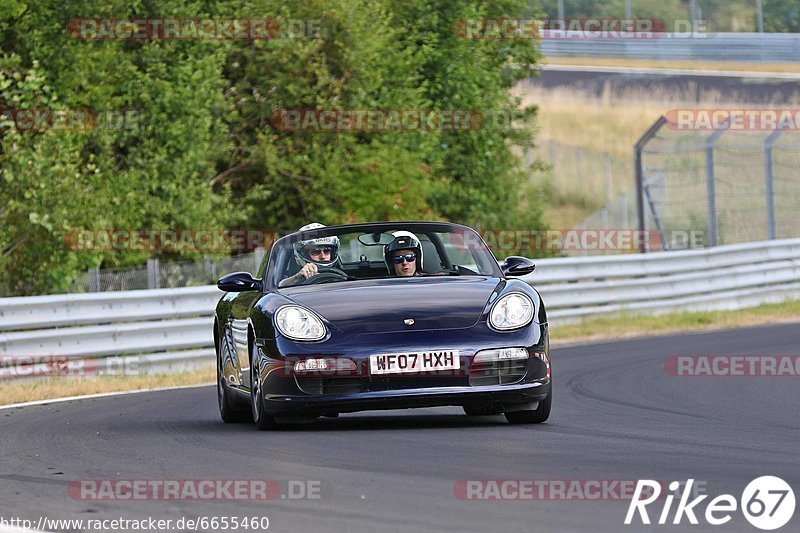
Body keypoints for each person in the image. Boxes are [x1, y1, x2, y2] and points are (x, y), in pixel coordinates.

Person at [279, 222, 341, 287]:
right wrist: (297, 278)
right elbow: (279, 286)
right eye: (315, 251)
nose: (322, 256)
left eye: (327, 250)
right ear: (304, 253)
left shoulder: (343, 276)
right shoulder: (296, 277)